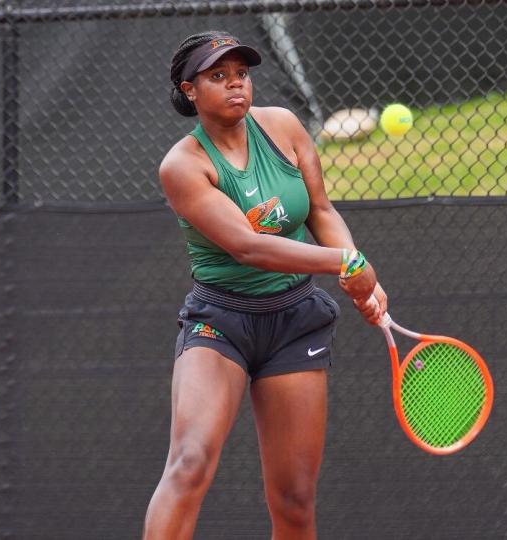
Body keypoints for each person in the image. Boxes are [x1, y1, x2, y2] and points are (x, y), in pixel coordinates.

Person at [143, 30, 388, 540]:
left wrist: (358, 274)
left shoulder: (283, 126)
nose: (236, 85)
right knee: (189, 463)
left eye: (241, 74)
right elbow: (247, 246)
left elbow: (321, 210)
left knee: (295, 499)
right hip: (221, 324)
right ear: (190, 90)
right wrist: (346, 262)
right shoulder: (183, 166)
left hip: (296, 323)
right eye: (218, 77)